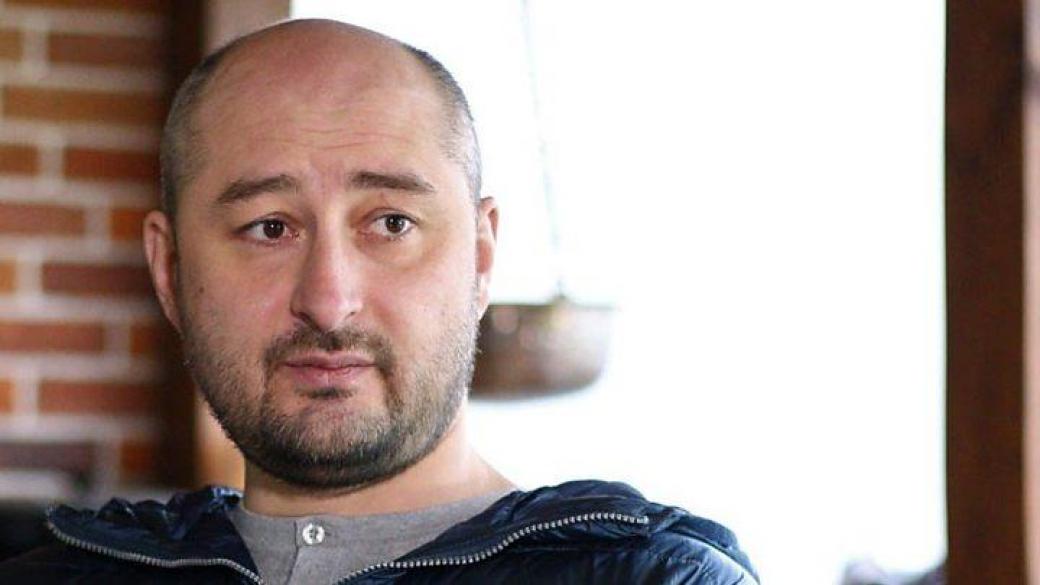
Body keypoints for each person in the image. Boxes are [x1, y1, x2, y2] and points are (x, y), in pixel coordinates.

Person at [0, 19, 758, 584]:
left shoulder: (648, 576)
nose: (329, 301)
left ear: (481, 256)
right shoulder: (60, 573)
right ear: (169, 270)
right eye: (270, 227)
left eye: (391, 223)